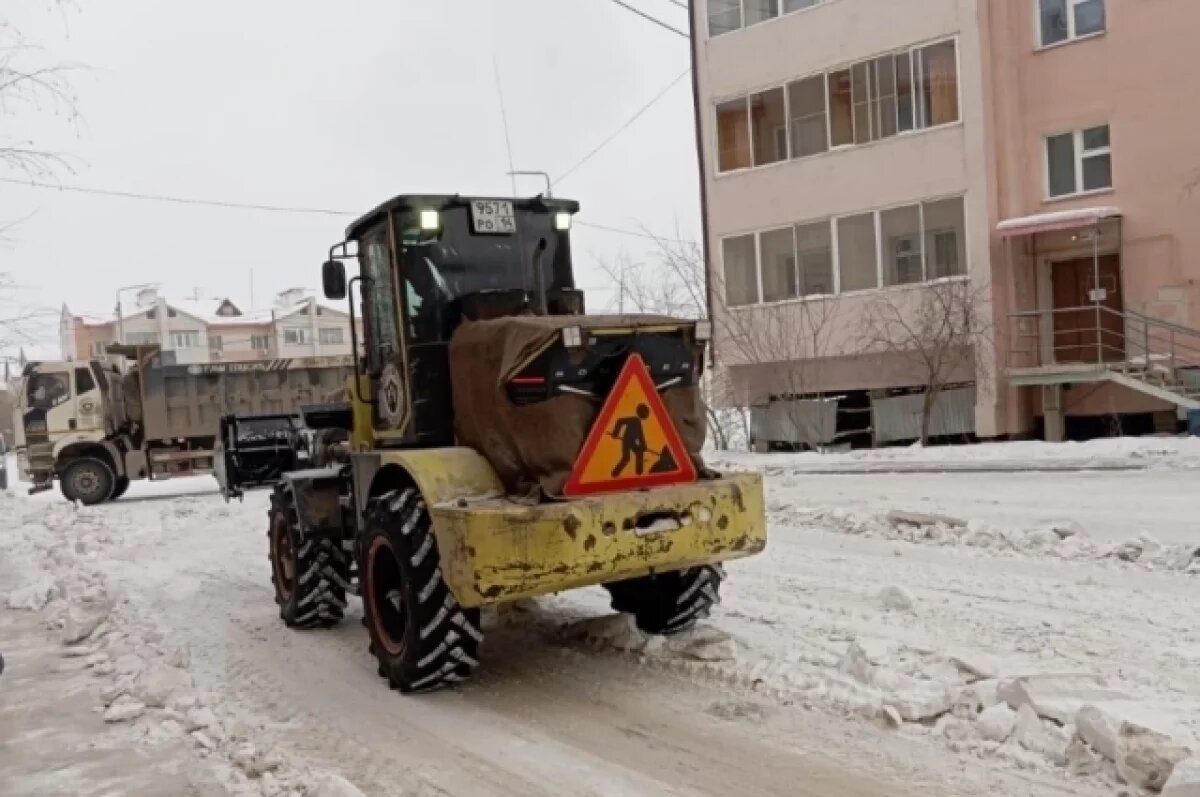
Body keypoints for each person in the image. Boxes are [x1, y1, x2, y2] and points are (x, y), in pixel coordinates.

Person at [610, 403, 651, 478]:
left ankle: (639, 473)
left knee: (639, 453)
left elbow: (640, 436)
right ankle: (614, 474)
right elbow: (619, 421)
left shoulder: (638, 423)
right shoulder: (633, 420)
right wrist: (615, 433)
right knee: (626, 458)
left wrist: (644, 445)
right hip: (626, 441)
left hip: (632, 442)